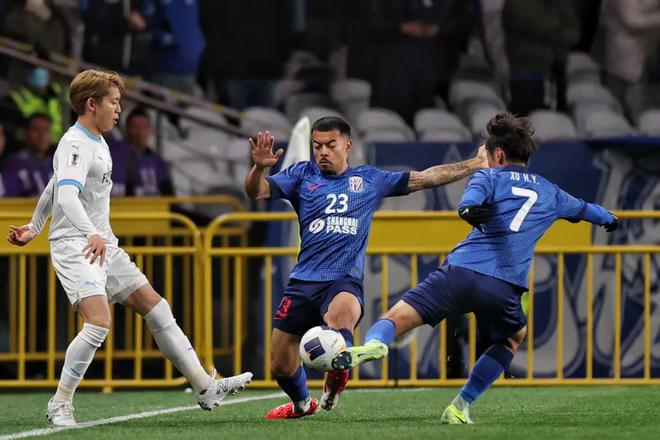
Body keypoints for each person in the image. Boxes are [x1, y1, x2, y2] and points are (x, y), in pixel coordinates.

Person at [331, 112, 619, 424]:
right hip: (504, 287)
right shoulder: (550, 191)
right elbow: (587, 209)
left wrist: (469, 210)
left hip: (460, 272)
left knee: (395, 318)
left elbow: (469, 203)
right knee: (512, 338)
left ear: (498, 154)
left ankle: (375, 345)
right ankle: (460, 405)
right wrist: (610, 219)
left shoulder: (488, 177)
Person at [6, 70, 252, 427]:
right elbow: (67, 196)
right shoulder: (75, 143)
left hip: (100, 242)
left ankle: (204, 386)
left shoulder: (97, 141)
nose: (119, 109)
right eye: (114, 102)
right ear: (92, 104)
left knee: (156, 307)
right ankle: (60, 403)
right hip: (77, 244)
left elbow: (54, 185)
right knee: (98, 322)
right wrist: (85, 232)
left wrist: (34, 225)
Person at [245, 116, 488, 419]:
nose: (322, 152)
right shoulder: (301, 175)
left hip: (343, 280)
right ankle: (303, 404)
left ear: (347, 145)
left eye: (330, 145)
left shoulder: (370, 180)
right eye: (317, 146)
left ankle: (338, 373)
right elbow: (256, 191)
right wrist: (259, 167)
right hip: (303, 281)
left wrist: (474, 164)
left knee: (340, 322)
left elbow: (426, 178)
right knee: (280, 365)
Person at [110, 106, 173, 196]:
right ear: (126, 129)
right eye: (135, 126)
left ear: (150, 130)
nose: (140, 132)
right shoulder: (113, 154)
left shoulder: (157, 162)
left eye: (144, 127)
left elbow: (169, 195)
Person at [2, 112, 53, 196]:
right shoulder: (14, 163)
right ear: (25, 134)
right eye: (36, 130)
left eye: (46, 130)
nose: (42, 136)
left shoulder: (56, 164)